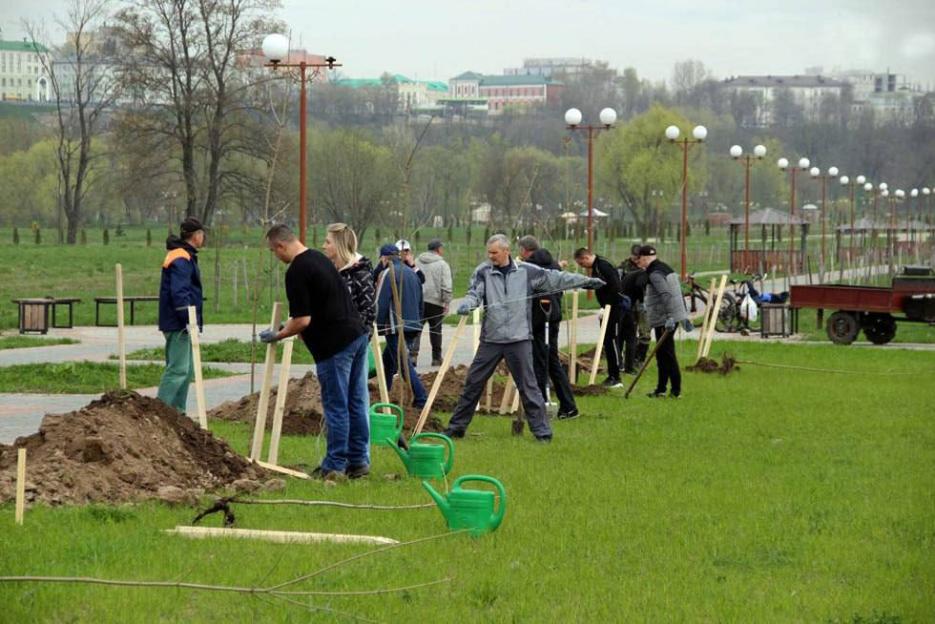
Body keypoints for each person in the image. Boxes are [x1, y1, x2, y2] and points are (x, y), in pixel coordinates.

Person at [444, 235, 605, 442]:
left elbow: (556, 278)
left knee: (529, 387)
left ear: (506, 251)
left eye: (494, 252)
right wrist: (468, 303)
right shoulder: (483, 271)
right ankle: (456, 428)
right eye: (489, 252)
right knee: (473, 383)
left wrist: (586, 282)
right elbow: (474, 293)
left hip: (519, 339)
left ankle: (542, 433)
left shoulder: (527, 271)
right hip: (491, 340)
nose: (490, 256)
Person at [261, 225, 370, 481]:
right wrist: (288, 326)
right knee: (355, 402)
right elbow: (318, 306)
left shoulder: (297, 270)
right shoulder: (319, 259)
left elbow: (302, 320)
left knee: (336, 405)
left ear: (281, 246)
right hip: (357, 335)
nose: (275, 256)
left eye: (273, 251)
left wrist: (278, 335)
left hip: (334, 346)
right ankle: (359, 461)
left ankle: (335, 465)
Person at [518, 236, 579, 419]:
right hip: (552, 316)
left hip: (538, 319)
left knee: (540, 362)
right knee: (551, 361)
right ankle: (567, 406)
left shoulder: (529, 268)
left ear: (524, 250)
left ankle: (541, 405)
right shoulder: (554, 265)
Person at [157, 217, 205, 415]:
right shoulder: (181, 258)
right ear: (196, 235)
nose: (203, 238)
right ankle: (159, 412)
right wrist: (188, 320)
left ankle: (177, 414)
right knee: (178, 370)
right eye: (202, 234)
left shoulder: (184, 255)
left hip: (182, 322)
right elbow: (180, 293)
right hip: (179, 323)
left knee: (187, 371)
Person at [375, 244, 428, 408]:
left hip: (395, 326)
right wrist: (418, 322)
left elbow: (381, 302)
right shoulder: (412, 273)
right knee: (388, 361)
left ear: (384, 258)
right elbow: (421, 302)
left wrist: (376, 324)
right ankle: (384, 394)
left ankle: (421, 398)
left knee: (403, 365)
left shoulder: (388, 273)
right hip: (413, 325)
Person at [637, 245, 692, 398]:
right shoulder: (665, 268)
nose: (638, 262)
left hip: (665, 319)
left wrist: (670, 316)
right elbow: (677, 292)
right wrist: (683, 315)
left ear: (644, 258)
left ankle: (675, 391)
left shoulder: (654, 273)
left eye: (639, 259)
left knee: (667, 355)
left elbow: (666, 294)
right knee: (661, 354)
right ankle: (661, 389)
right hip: (670, 316)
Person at [573, 247, 626, 388]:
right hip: (607, 308)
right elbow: (598, 284)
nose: (582, 266)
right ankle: (612, 375)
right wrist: (581, 284)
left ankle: (616, 377)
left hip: (614, 308)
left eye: (582, 263)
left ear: (585, 257)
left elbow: (616, 287)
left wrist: (607, 306)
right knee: (607, 341)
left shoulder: (603, 266)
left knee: (612, 340)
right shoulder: (597, 266)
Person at [322, 223, 376, 333]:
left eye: (328, 242)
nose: (323, 246)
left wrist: (347, 331)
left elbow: (369, 313)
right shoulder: (330, 272)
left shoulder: (361, 274)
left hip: (353, 340)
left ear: (339, 245)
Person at [415, 239, 453, 366]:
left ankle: (413, 355)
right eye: (442, 248)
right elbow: (446, 285)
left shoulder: (417, 261)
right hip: (436, 302)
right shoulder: (442, 265)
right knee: (436, 330)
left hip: (419, 300)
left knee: (417, 328)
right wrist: (447, 302)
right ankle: (436, 358)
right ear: (438, 249)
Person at [619, 244, 649, 374]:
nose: (637, 260)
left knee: (645, 333)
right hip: (628, 305)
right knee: (628, 334)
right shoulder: (623, 267)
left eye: (639, 257)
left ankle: (639, 360)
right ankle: (625, 361)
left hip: (643, 305)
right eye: (635, 257)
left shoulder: (647, 267)